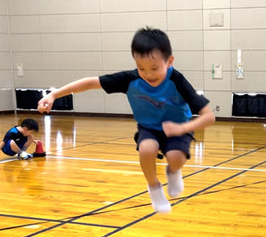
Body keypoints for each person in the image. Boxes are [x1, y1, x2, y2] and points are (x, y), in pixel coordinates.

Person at [38, 27, 215, 213]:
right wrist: (54, 95)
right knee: (146, 149)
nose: (148, 74)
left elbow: (208, 116)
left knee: (176, 158)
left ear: (169, 61)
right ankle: (154, 188)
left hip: (179, 127)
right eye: (141, 68)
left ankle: (173, 171)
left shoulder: (177, 80)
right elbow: (91, 82)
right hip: (149, 128)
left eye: (155, 68)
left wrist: (181, 129)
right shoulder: (130, 79)